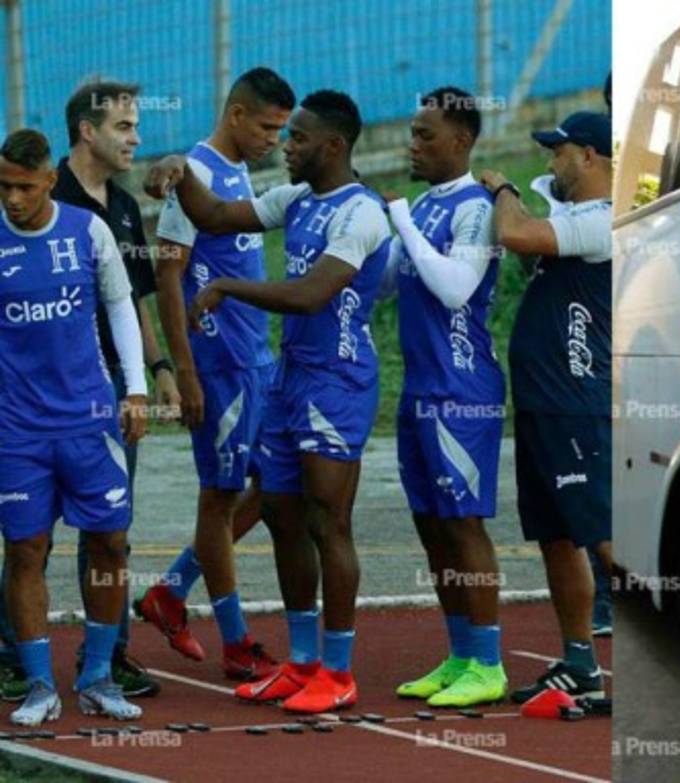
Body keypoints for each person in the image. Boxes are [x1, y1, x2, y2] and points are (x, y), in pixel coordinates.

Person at [143, 90, 391, 714]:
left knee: (326, 521)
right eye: (283, 133)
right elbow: (219, 215)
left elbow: (311, 294)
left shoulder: (361, 213)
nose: (287, 146)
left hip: (337, 382)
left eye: (299, 138)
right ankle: (301, 662)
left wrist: (228, 285)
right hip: (287, 379)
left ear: (333, 147)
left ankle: (338, 670)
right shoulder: (297, 198)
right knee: (281, 514)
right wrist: (178, 166)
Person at [0, 81, 176, 702]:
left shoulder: (89, 230)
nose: (13, 199)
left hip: (90, 419)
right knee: (26, 547)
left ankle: (99, 674)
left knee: (109, 541)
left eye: (24, 186)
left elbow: (122, 306)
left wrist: (134, 389)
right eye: (4, 187)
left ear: (48, 180)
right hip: (17, 429)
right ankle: (38, 684)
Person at [133, 67, 295, 683]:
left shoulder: (238, 171)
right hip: (220, 365)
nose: (274, 140)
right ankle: (235, 640)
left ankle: (171, 590)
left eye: (283, 130)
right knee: (220, 494)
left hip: (257, 359)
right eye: (267, 127)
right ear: (235, 114)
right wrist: (186, 372)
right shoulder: (193, 173)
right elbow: (169, 274)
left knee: (280, 486)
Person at [478, 111, 613, 702]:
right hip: (543, 405)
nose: (551, 162)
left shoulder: (605, 219)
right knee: (559, 538)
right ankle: (580, 661)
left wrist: (504, 188)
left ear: (587, 156)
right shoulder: (576, 218)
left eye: (558, 152)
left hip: (573, 407)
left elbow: (515, 234)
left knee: (605, 537)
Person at [381, 87, 508, 708]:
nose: (414, 143)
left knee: (463, 525)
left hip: (462, 391)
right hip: (420, 387)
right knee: (432, 527)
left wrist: (401, 220)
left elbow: (456, 288)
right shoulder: (426, 205)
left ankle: (489, 663)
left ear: (461, 141)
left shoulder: (477, 207)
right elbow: (385, 285)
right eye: (413, 131)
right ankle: (460, 655)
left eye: (425, 134)